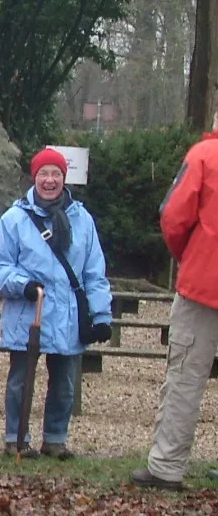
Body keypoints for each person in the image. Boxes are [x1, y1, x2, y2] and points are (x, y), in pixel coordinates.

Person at [0, 147, 113, 460]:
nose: (49, 180)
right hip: (29, 311)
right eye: (44, 173)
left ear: (64, 177)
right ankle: (16, 438)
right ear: (34, 177)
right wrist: (24, 285)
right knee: (20, 379)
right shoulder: (14, 219)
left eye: (55, 173)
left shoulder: (82, 220)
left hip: (68, 315)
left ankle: (55, 438)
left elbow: (94, 271)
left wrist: (101, 314)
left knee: (65, 382)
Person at [133, 115, 218, 490]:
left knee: (185, 375)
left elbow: (173, 215)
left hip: (204, 282)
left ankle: (167, 465)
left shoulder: (204, 155)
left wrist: (190, 256)